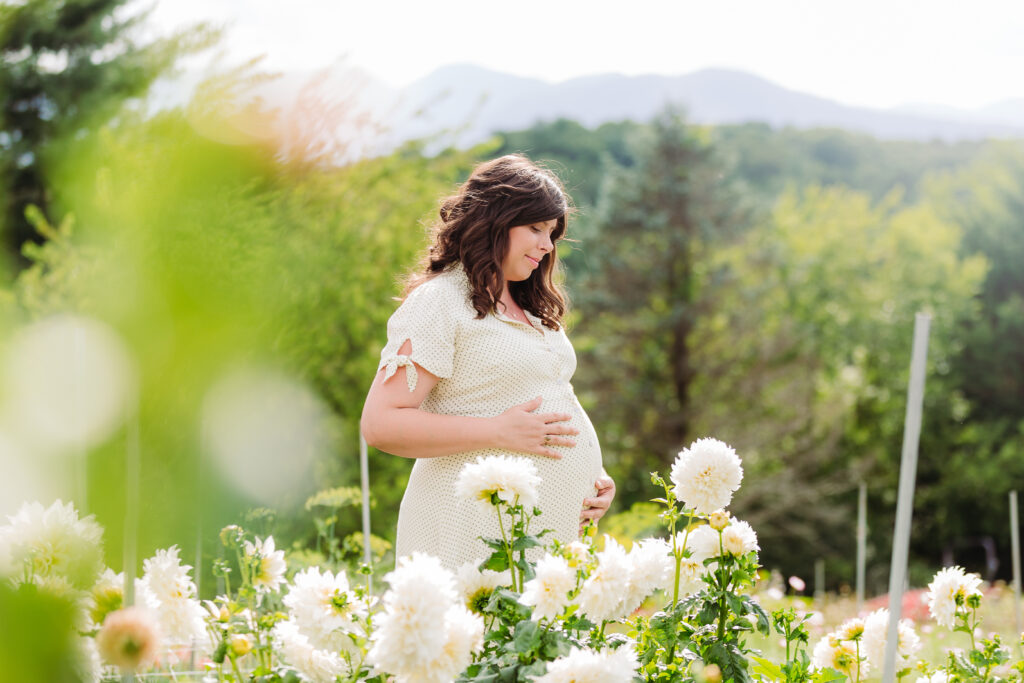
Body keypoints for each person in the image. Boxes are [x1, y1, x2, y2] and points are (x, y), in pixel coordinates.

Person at [360, 154, 615, 571]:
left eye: (551, 233)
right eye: (535, 228)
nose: (547, 246)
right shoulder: (440, 301)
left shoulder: (533, 308)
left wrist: (595, 476)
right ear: (495, 219)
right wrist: (496, 431)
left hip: (550, 534)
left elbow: (548, 399)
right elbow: (380, 424)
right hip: (474, 532)